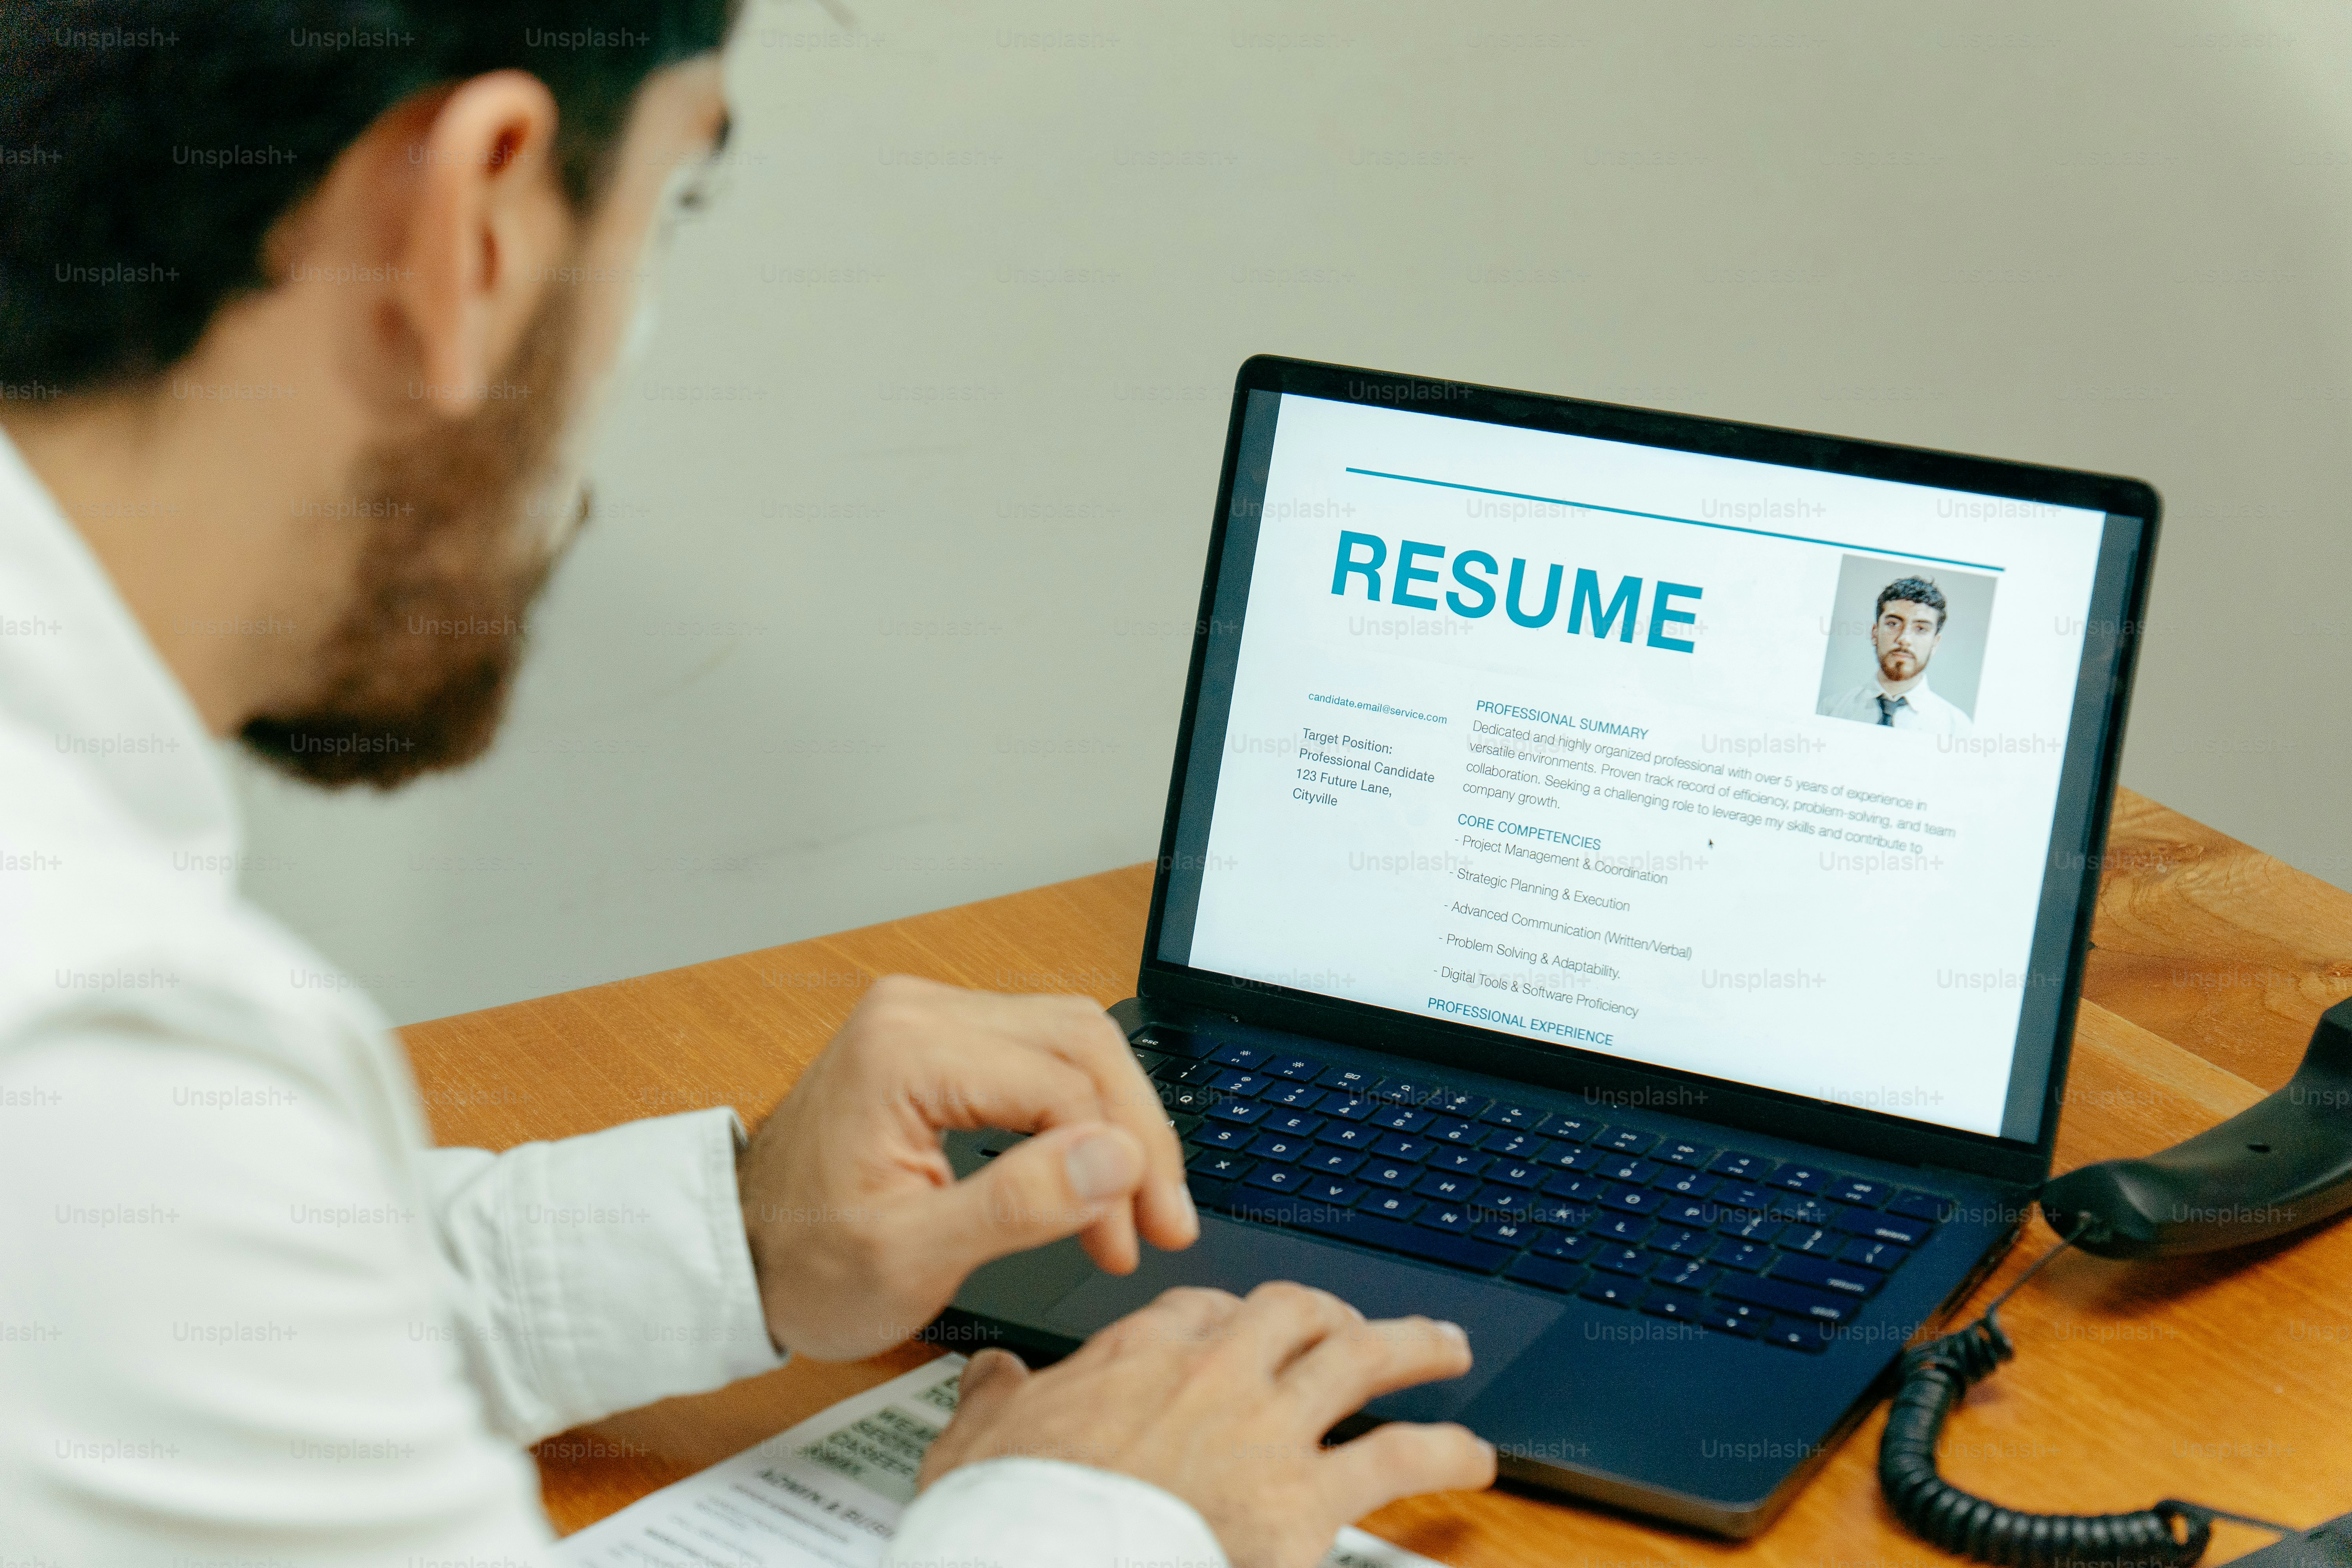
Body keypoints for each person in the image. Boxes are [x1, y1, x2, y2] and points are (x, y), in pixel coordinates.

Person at [0, 8, 1494, 1567]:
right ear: (478, 215)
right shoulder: (99, 1059)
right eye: (670, 206)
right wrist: (1104, 1512)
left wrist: (735, 1232)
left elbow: (188, 1315)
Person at [1818, 575, 1975, 734]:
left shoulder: (1957, 729)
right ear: (1875, 633)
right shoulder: (1831, 710)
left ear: (1935, 643)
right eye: (1893, 624)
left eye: (1921, 629)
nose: (1904, 640)